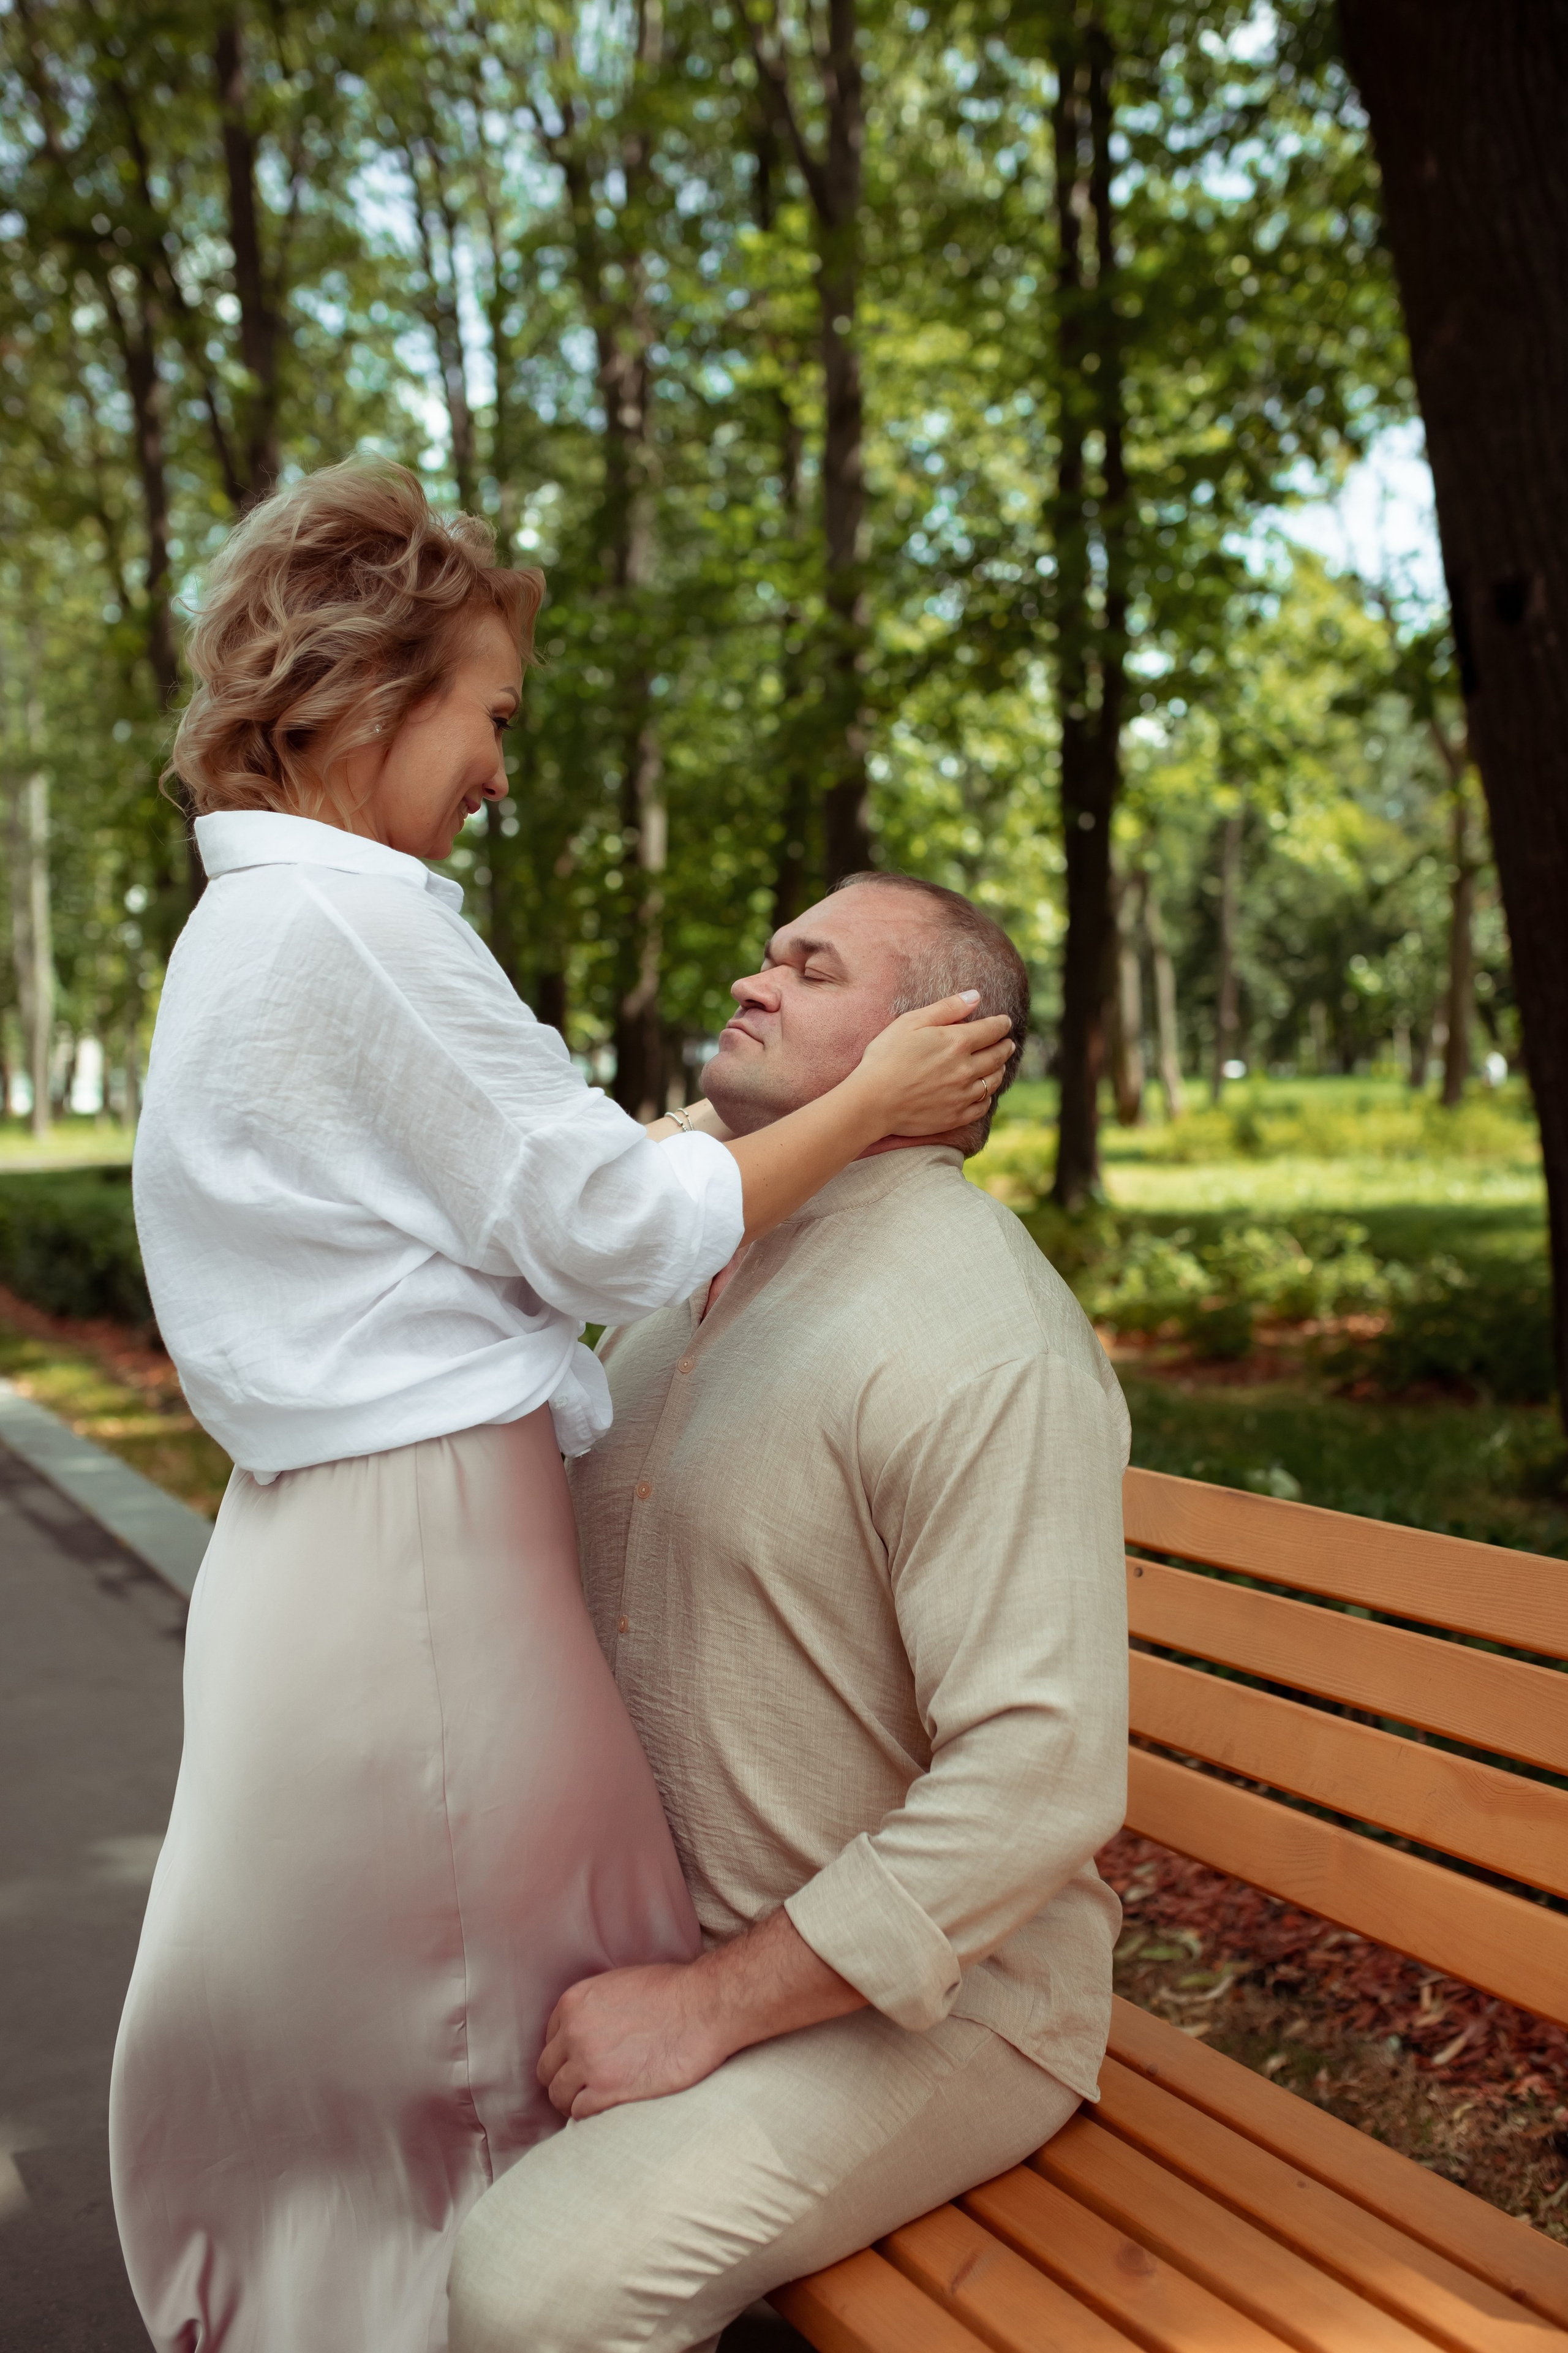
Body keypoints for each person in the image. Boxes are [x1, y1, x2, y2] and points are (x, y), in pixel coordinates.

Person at [108, 464, 1014, 2353]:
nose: (502, 772)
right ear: (370, 687)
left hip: (326, 1560)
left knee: (384, 2094)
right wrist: (871, 1101)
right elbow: (607, 1225)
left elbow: (510, 1187)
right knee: (504, 2061)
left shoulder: (255, 934)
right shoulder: (364, 928)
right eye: (493, 716)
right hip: (424, 1587)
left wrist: (717, 1134)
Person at [448, 873, 1131, 2353]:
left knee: (531, 2289)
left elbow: (1045, 1775)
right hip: (648, 1934)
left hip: (939, 2001)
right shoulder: (682, 1273)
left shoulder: (979, 1335)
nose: (752, 981)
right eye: (764, 955)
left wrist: (703, 2012)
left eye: (808, 970)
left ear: (937, 1040)